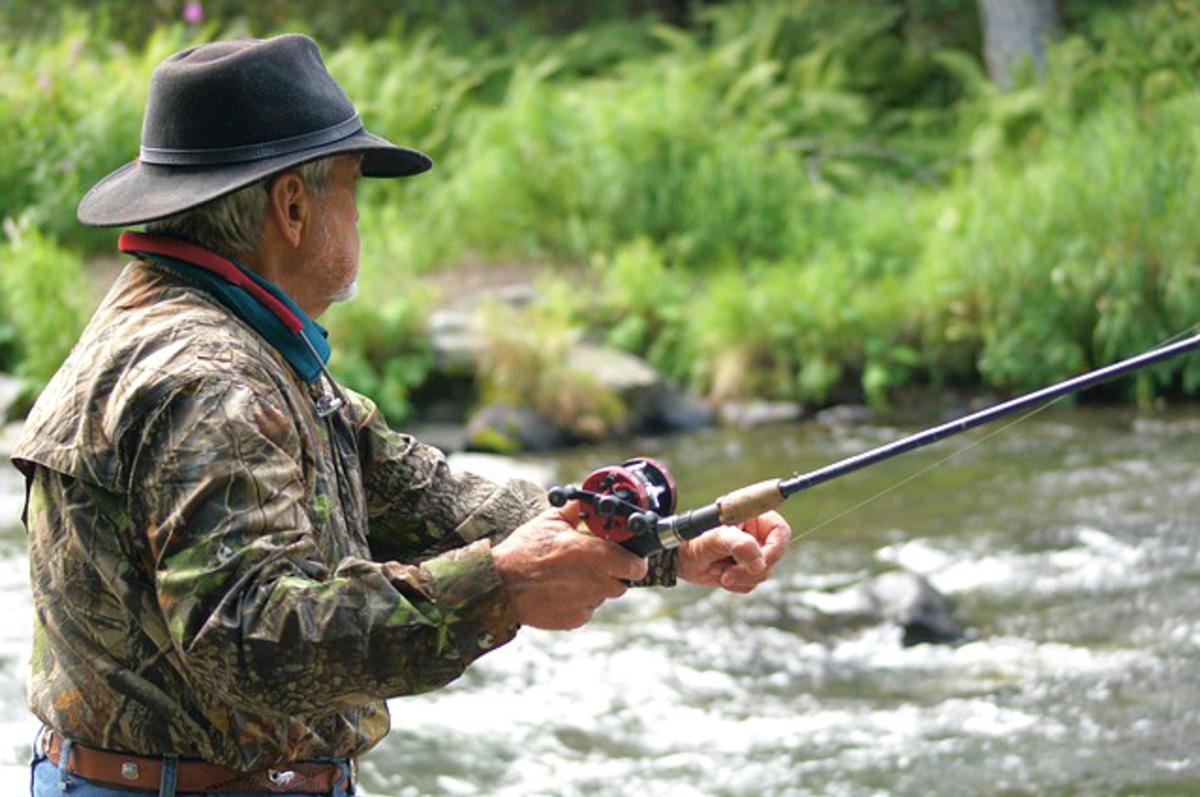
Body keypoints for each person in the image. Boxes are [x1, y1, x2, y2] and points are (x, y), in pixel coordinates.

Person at [11, 34, 791, 797]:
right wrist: (502, 588)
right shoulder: (210, 378)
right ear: (291, 206)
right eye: (351, 187)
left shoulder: (219, 333)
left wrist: (666, 544)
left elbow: (423, 497)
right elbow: (250, 637)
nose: (358, 218)